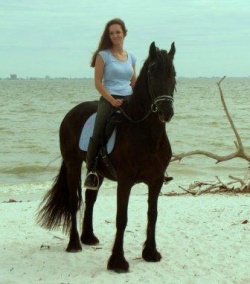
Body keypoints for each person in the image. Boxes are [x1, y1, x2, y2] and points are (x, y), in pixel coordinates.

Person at [84, 18, 137, 190]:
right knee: (98, 131)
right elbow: (98, 83)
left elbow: (134, 82)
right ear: (109, 36)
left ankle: (157, 167)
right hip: (109, 98)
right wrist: (112, 100)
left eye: (118, 32)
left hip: (129, 98)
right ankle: (91, 171)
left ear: (124, 33)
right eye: (112, 33)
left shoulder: (131, 57)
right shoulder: (103, 55)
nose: (115, 35)